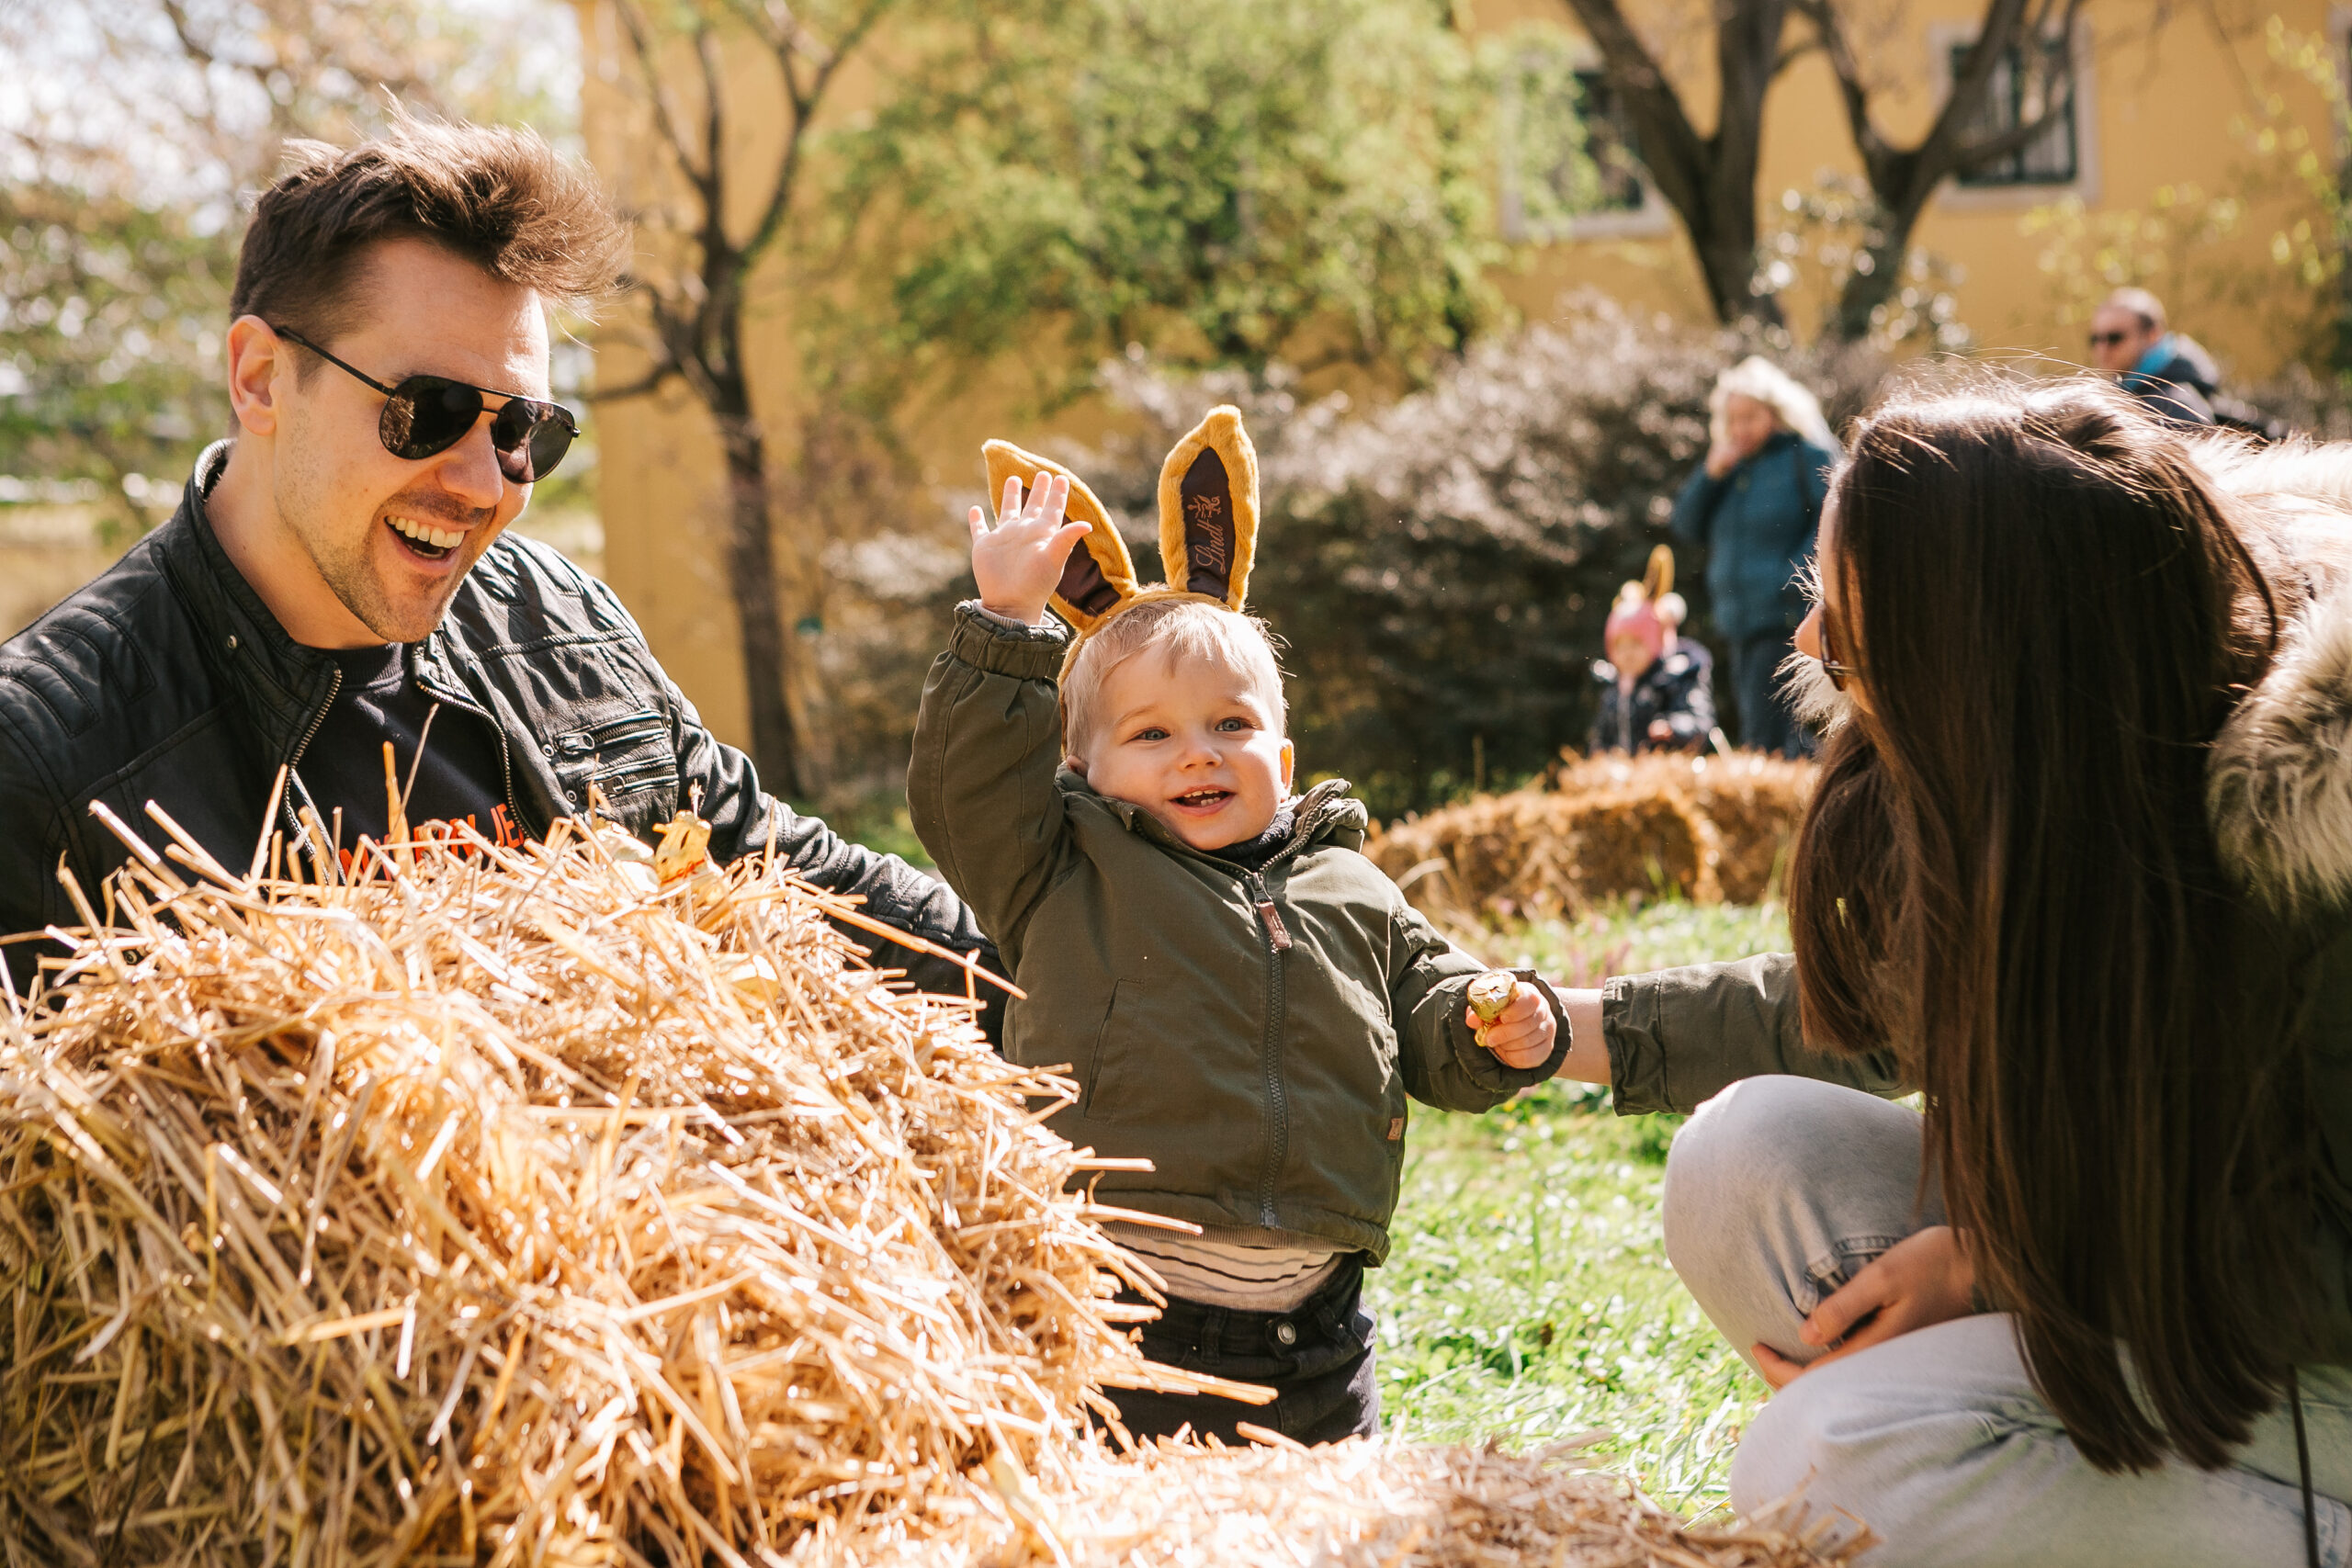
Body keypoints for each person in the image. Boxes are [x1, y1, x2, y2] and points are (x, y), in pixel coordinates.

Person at [1549, 378, 2352, 1565]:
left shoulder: (2312, 826)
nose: (1810, 645)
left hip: (2303, 1334)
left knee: (1818, 1463)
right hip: (2168, 1282)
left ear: (1989, 648)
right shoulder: (2065, 742)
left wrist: (2013, 1264)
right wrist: (1579, 1028)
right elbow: (1896, 999)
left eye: (1854, 622)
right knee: (1743, 1162)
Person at [0, 118, 1001, 1020]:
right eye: (426, 411)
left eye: (523, 428)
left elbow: (779, 873)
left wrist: (1091, 989)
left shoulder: (561, 619)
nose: (484, 484)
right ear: (261, 379)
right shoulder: (44, 759)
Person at [909, 412, 1567, 1445]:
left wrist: (1492, 1029)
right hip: (1114, 1325)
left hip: (1316, 1338)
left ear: (1287, 761)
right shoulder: (1059, 870)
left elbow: (1430, 1007)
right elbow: (965, 796)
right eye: (1152, 734)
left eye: (1231, 726)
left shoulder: (1349, 884)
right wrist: (1005, 626)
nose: (1196, 756)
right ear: (1079, 769)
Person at [1669, 356, 1837, 758]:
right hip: (1738, 618)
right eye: (1733, 419)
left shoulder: (1806, 456)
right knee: (1766, 731)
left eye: (1750, 417)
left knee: (1769, 737)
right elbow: (1686, 526)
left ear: (1775, 414)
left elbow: (1834, 521)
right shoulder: (1728, 467)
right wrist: (1709, 476)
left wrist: (1788, 577)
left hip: (1786, 616)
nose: (1740, 428)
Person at [1589, 546, 1713, 755]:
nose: (1628, 653)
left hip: (1667, 770)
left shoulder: (1678, 673)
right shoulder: (1612, 684)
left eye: (1636, 644)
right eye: (1620, 646)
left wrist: (1671, 728)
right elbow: (1603, 735)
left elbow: (1700, 722)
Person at [2086, 286, 2223, 428]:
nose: (2102, 349)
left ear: (2152, 335)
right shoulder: (2130, 394)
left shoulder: (2175, 408)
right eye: (2095, 339)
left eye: (2114, 338)